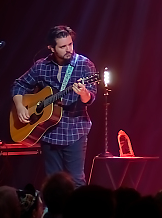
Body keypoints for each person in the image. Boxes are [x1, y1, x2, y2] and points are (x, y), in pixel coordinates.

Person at [11, 25, 98, 185]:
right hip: (48, 130)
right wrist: (20, 106)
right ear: (51, 48)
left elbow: (90, 98)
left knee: (76, 180)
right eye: (63, 46)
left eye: (70, 44)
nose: (69, 49)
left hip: (74, 130)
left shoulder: (84, 65)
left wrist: (83, 93)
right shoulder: (41, 65)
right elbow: (19, 84)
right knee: (53, 182)